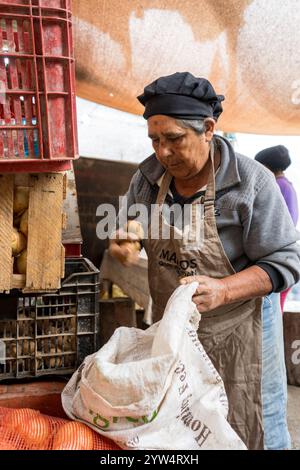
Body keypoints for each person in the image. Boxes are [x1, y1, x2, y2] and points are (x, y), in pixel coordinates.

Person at [109, 72, 300, 450]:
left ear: (209, 128)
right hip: (176, 332)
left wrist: (225, 289)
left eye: (174, 139)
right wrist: (125, 237)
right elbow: (130, 221)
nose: (162, 152)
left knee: (252, 425)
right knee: (185, 426)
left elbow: (286, 261)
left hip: (242, 334)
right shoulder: (147, 179)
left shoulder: (251, 183)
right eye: (155, 140)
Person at [255, 145, 299, 311]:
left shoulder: (276, 186)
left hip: (277, 255)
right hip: (283, 254)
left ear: (265, 166)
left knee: (272, 310)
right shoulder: (287, 186)